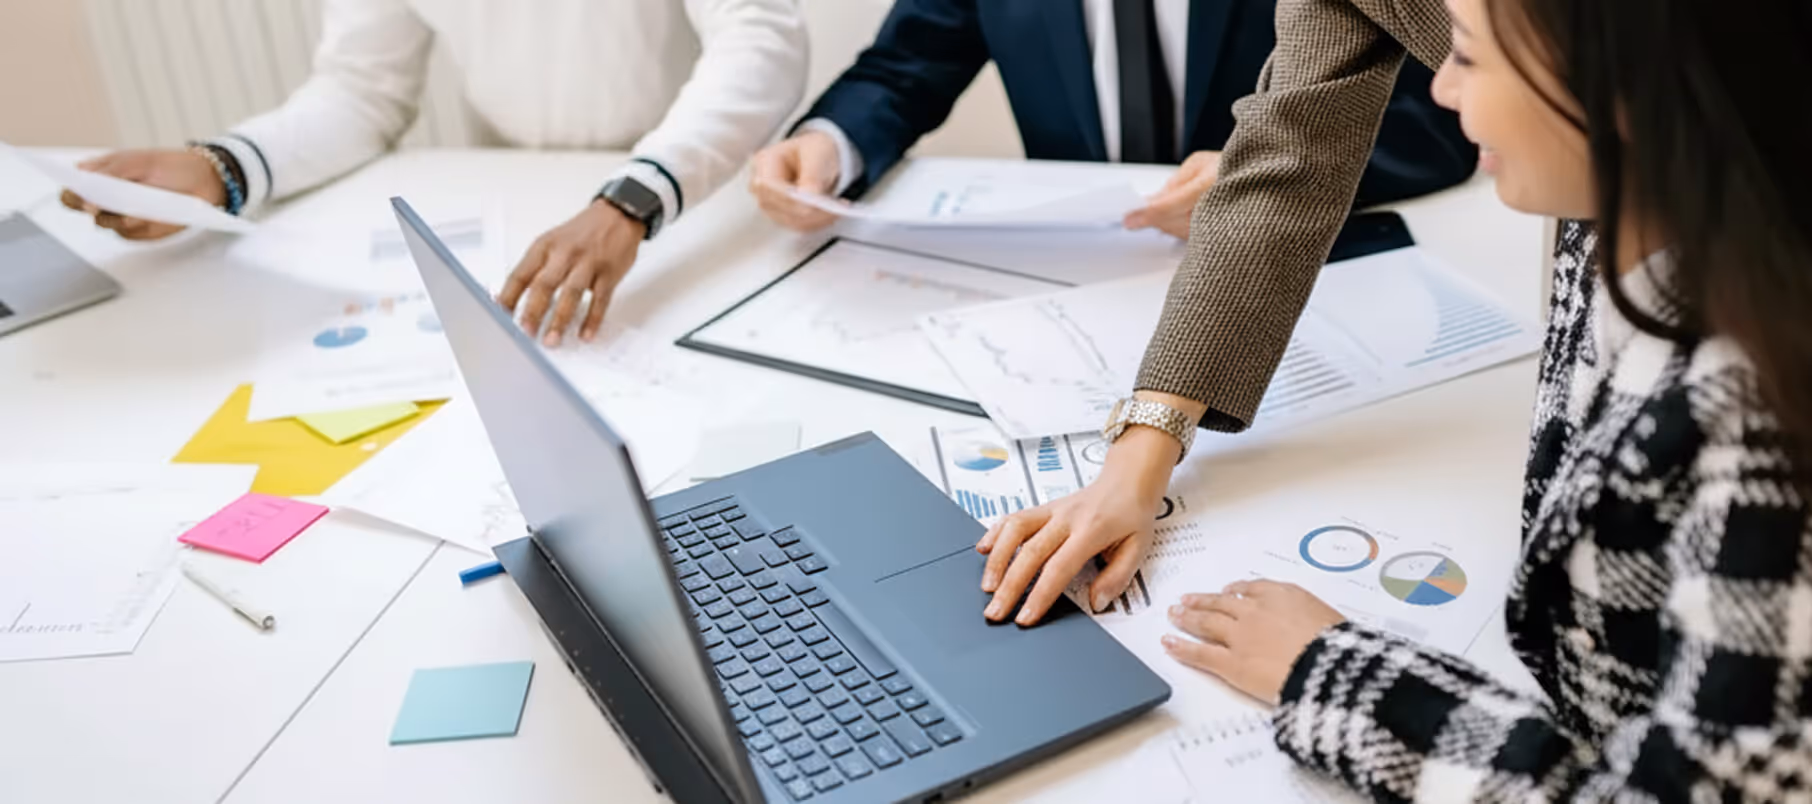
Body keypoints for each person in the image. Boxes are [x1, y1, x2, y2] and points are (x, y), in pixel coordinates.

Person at [1031, 0, 1812, 796]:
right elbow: (1289, 144)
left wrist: (1342, 677)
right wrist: (1141, 453)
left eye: (1464, 54)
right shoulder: (1635, 236)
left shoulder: (1754, 409)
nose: (1436, 86)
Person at [58, 0, 807, 347]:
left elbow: (761, 34)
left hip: (693, 198)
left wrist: (635, 197)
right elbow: (362, 91)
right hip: (530, 207)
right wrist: (221, 165)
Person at [750, 0, 1476, 238]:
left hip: (1302, 270)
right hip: (1072, 276)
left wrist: (1260, 182)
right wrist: (828, 141)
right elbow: (905, 68)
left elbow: (1440, 120)